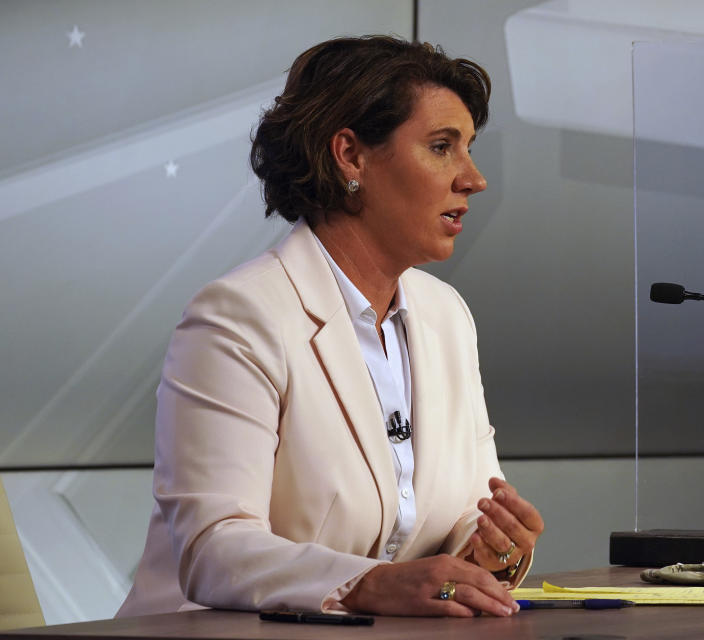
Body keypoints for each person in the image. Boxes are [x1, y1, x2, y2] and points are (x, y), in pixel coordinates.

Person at [117, 35, 543, 619]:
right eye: (442, 147)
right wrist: (372, 584)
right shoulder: (239, 317)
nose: (473, 178)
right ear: (350, 156)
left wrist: (494, 549)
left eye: (469, 148)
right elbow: (213, 549)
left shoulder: (447, 316)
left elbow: (467, 519)